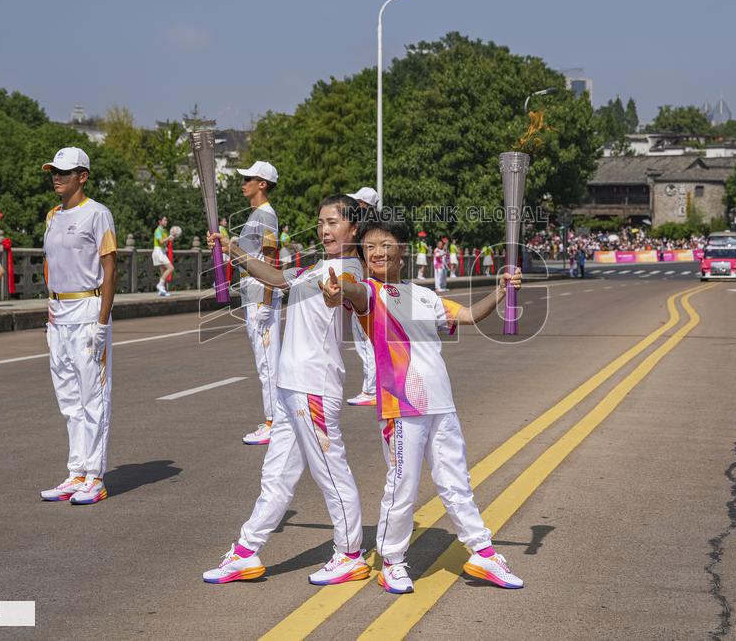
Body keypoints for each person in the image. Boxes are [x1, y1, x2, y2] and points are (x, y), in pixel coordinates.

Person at [320, 210, 525, 593]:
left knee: (455, 481)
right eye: (369, 248)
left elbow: (467, 316)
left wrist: (499, 292)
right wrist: (337, 291)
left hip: (441, 404)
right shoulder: (370, 294)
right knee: (403, 484)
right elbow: (347, 291)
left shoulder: (422, 297)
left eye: (386, 245)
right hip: (401, 407)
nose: (378, 252)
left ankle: (482, 552)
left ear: (403, 251)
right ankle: (392, 561)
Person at [202, 194, 367, 586]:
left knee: (331, 472)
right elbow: (276, 278)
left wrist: (338, 293)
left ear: (353, 229)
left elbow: (351, 292)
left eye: (333, 222)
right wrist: (233, 249)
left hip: (314, 387)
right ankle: (246, 551)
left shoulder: (349, 269)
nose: (324, 229)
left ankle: (350, 553)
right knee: (275, 476)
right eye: (321, 221)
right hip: (291, 387)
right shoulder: (320, 265)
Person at [38, 147, 117, 506]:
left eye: (65, 172)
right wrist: (50, 303)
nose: (57, 177)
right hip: (59, 312)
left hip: (87, 309)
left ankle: (95, 476)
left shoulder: (98, 215)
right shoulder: (52, 215)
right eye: (54, 171)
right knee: (68, 398)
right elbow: (48, 262)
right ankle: (76, 472)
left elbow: (110, 270)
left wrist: (102, 321)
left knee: (92, 397)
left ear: (82, 176)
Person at [234, 161, 283, 446]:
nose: (244, 183)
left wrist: (266, 301)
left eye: (249, 179)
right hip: (251, 291)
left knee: (267, 362)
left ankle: (274, 422)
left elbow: (270, 259)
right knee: (263, 360)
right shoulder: (255, 215)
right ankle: (273, 418)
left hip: (259, 293)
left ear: (262, 184)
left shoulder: (266, 215)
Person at [345, 187, 379, 408]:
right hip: (366, 287)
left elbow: (365, 263)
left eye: (358, 202)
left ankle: (371, 389)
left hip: (365, 289)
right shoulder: (372, 230)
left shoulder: (365, 232)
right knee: (366, 341)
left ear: (366, 206)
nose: (354, 205)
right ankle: (372, 387)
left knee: (366, 342)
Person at [152, 215, 176, 296]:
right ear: (160, 221)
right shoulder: (158, 230)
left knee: (163, 271)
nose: (166, 222)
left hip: (162, 251)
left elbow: (165, 243)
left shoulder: (165, 231)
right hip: (158, 251)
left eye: (166, 220)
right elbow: (161, 242)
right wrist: (168, 237)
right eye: (165, 220)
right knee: (171, 268)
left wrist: (171, 239)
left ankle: (161, 290)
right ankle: (160, 285)